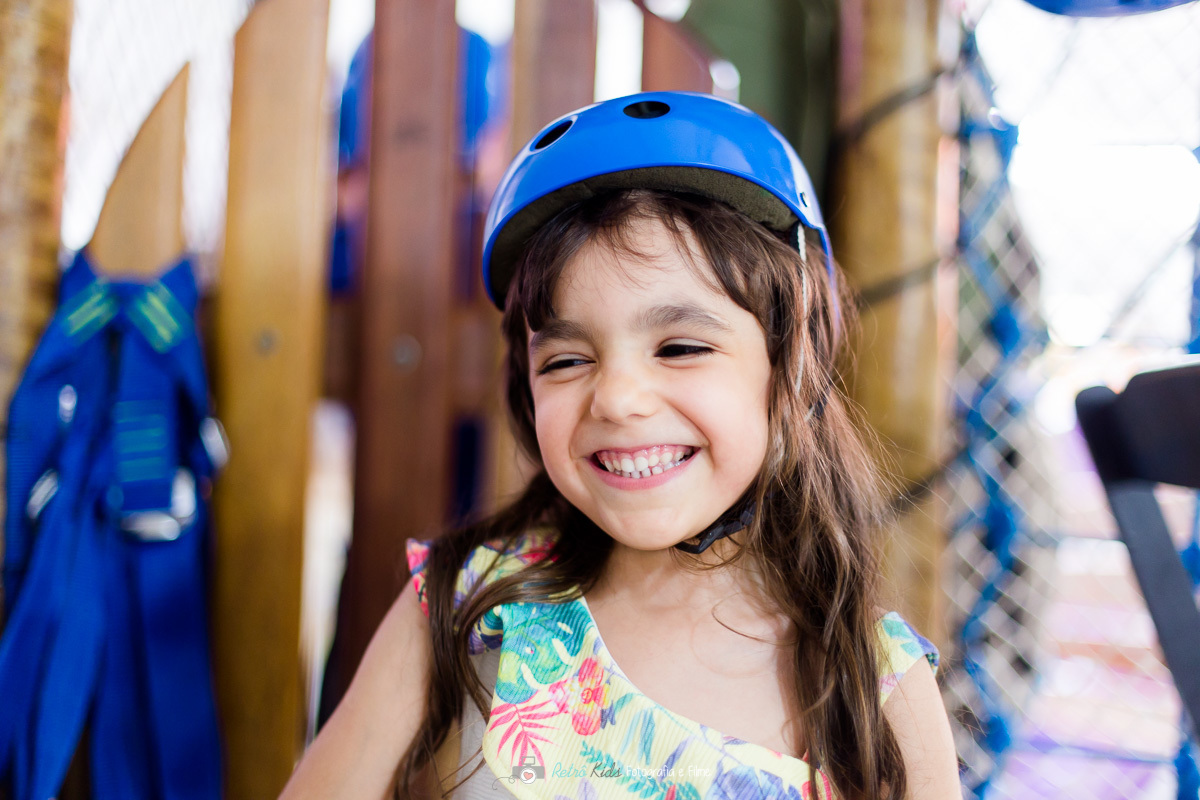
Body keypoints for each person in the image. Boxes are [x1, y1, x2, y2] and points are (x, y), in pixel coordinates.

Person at [280, 91, 959, 800]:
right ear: (526, 391)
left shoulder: (876, 684)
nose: (617, 398)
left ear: (793, 365)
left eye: (680, 348)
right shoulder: (469, 604)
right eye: (567, 360)